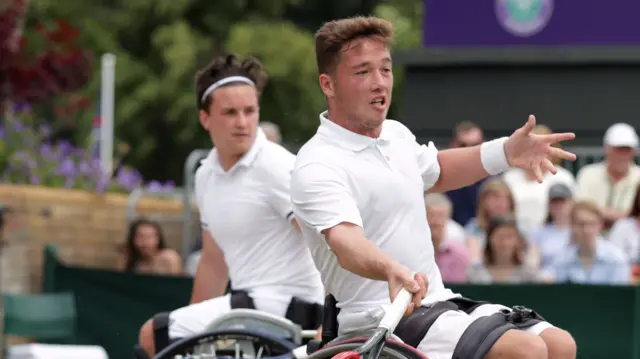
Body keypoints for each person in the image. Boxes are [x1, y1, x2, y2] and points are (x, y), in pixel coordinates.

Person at [291, 16, 577, 359]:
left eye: (385, 69)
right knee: (525, 350)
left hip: (437, 303)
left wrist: (506, 152)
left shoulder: (395, 134)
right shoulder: (317, 162)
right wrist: (390, 268)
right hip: (378, 320)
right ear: (328, 84)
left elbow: (437, 171)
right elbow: (346, 243)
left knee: (560, 344)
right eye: (362, 72)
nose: (379, 83)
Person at [135, 54, 324, 358]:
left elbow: (327, 240)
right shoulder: (205, 175)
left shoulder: (278, 167)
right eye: (230, 112)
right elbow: (213, 261)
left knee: (151, 335)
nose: (242, 122)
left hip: (294, 311)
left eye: (250, 111)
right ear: (205, 118)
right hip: (246, 309)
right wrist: (191, 339)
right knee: (170, 342)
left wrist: (333, 320)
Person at [117, 217, 182, 275]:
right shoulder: (128, 258)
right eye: (140, 236)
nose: (145, 241)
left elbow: (177, 285)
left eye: (150, 236)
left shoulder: (169, 258)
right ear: (132, 239)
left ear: (158, 238)